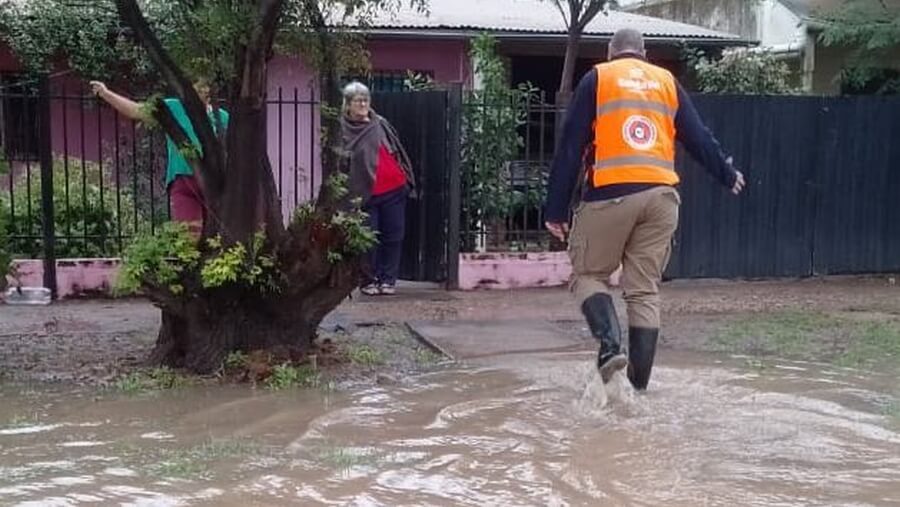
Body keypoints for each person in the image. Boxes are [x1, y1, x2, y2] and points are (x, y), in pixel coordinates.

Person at [544, 29, 745, 390]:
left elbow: (570, 144)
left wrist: (555, 209)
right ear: (644, 52)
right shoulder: (666, 81)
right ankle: (638, 390)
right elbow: (698, 136)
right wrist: (727, 174)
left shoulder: (599, 78)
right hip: (662, 198)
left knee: (588, 274)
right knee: (644, 290)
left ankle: (609, 347)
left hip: (611, 194)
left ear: (611, 52)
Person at [89, 79, 228, 237]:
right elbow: (137, 111)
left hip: (215, 184)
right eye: (196, 87)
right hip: (184, 181)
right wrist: (106, 93)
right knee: (190, 237)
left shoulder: (222, 117)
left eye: (205, 87)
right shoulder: (172, 107)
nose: (201, 92)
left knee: (216, 238)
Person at [340, 81, 416, 296]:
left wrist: (405, 176)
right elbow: (340, 162)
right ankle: (367, 280)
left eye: (366, 99)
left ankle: (388, 280)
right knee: (367, 240)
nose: (363, 103)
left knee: (394, 235)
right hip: (364, 194)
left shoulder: (380, 123)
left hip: (394, 189)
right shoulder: (343, 129)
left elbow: (396, 149)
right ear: (348, 104)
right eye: (358, 100)